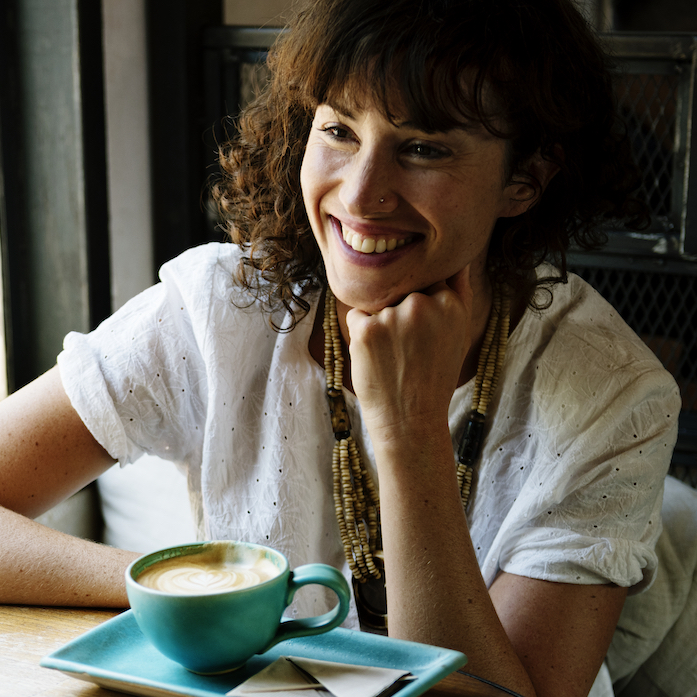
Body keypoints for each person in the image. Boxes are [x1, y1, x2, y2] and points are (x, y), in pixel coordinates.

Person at [0, 1, 683, 696]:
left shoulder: (616, 393)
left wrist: (408, 429)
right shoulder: (222, 306)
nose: (359, 195)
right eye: (339, 129)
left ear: (523, 180)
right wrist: (173, 590)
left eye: (423, 147)